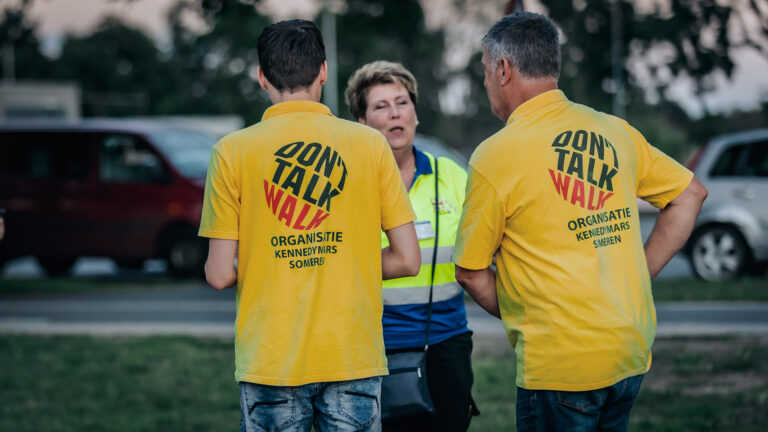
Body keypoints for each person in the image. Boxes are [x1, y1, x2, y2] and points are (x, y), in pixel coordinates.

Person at [453, 12, 708, 432]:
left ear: (503, 70)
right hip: (629, 349)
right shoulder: (614, 130)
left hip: (559, 364)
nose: (485, 85)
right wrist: (637, 277)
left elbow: (470, 271)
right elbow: (689, 194)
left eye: (484, 72)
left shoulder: (495, 156)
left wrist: (524, 315)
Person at [199, 20, 420, 432]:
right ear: (323, 71)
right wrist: (343, 259)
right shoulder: (369, 144)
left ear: (262, 76)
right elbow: (408, 260)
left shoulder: (231, 152)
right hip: (351, 354)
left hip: (270, 360)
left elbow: (217, 275)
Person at [345, 61, 478, 431]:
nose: (395, 114)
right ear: (362, 122)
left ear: (416, 114)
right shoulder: (347, 185)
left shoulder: (453, 176)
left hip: (446, 342)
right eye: (381, 106)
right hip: (371, 348)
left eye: (402, 102)